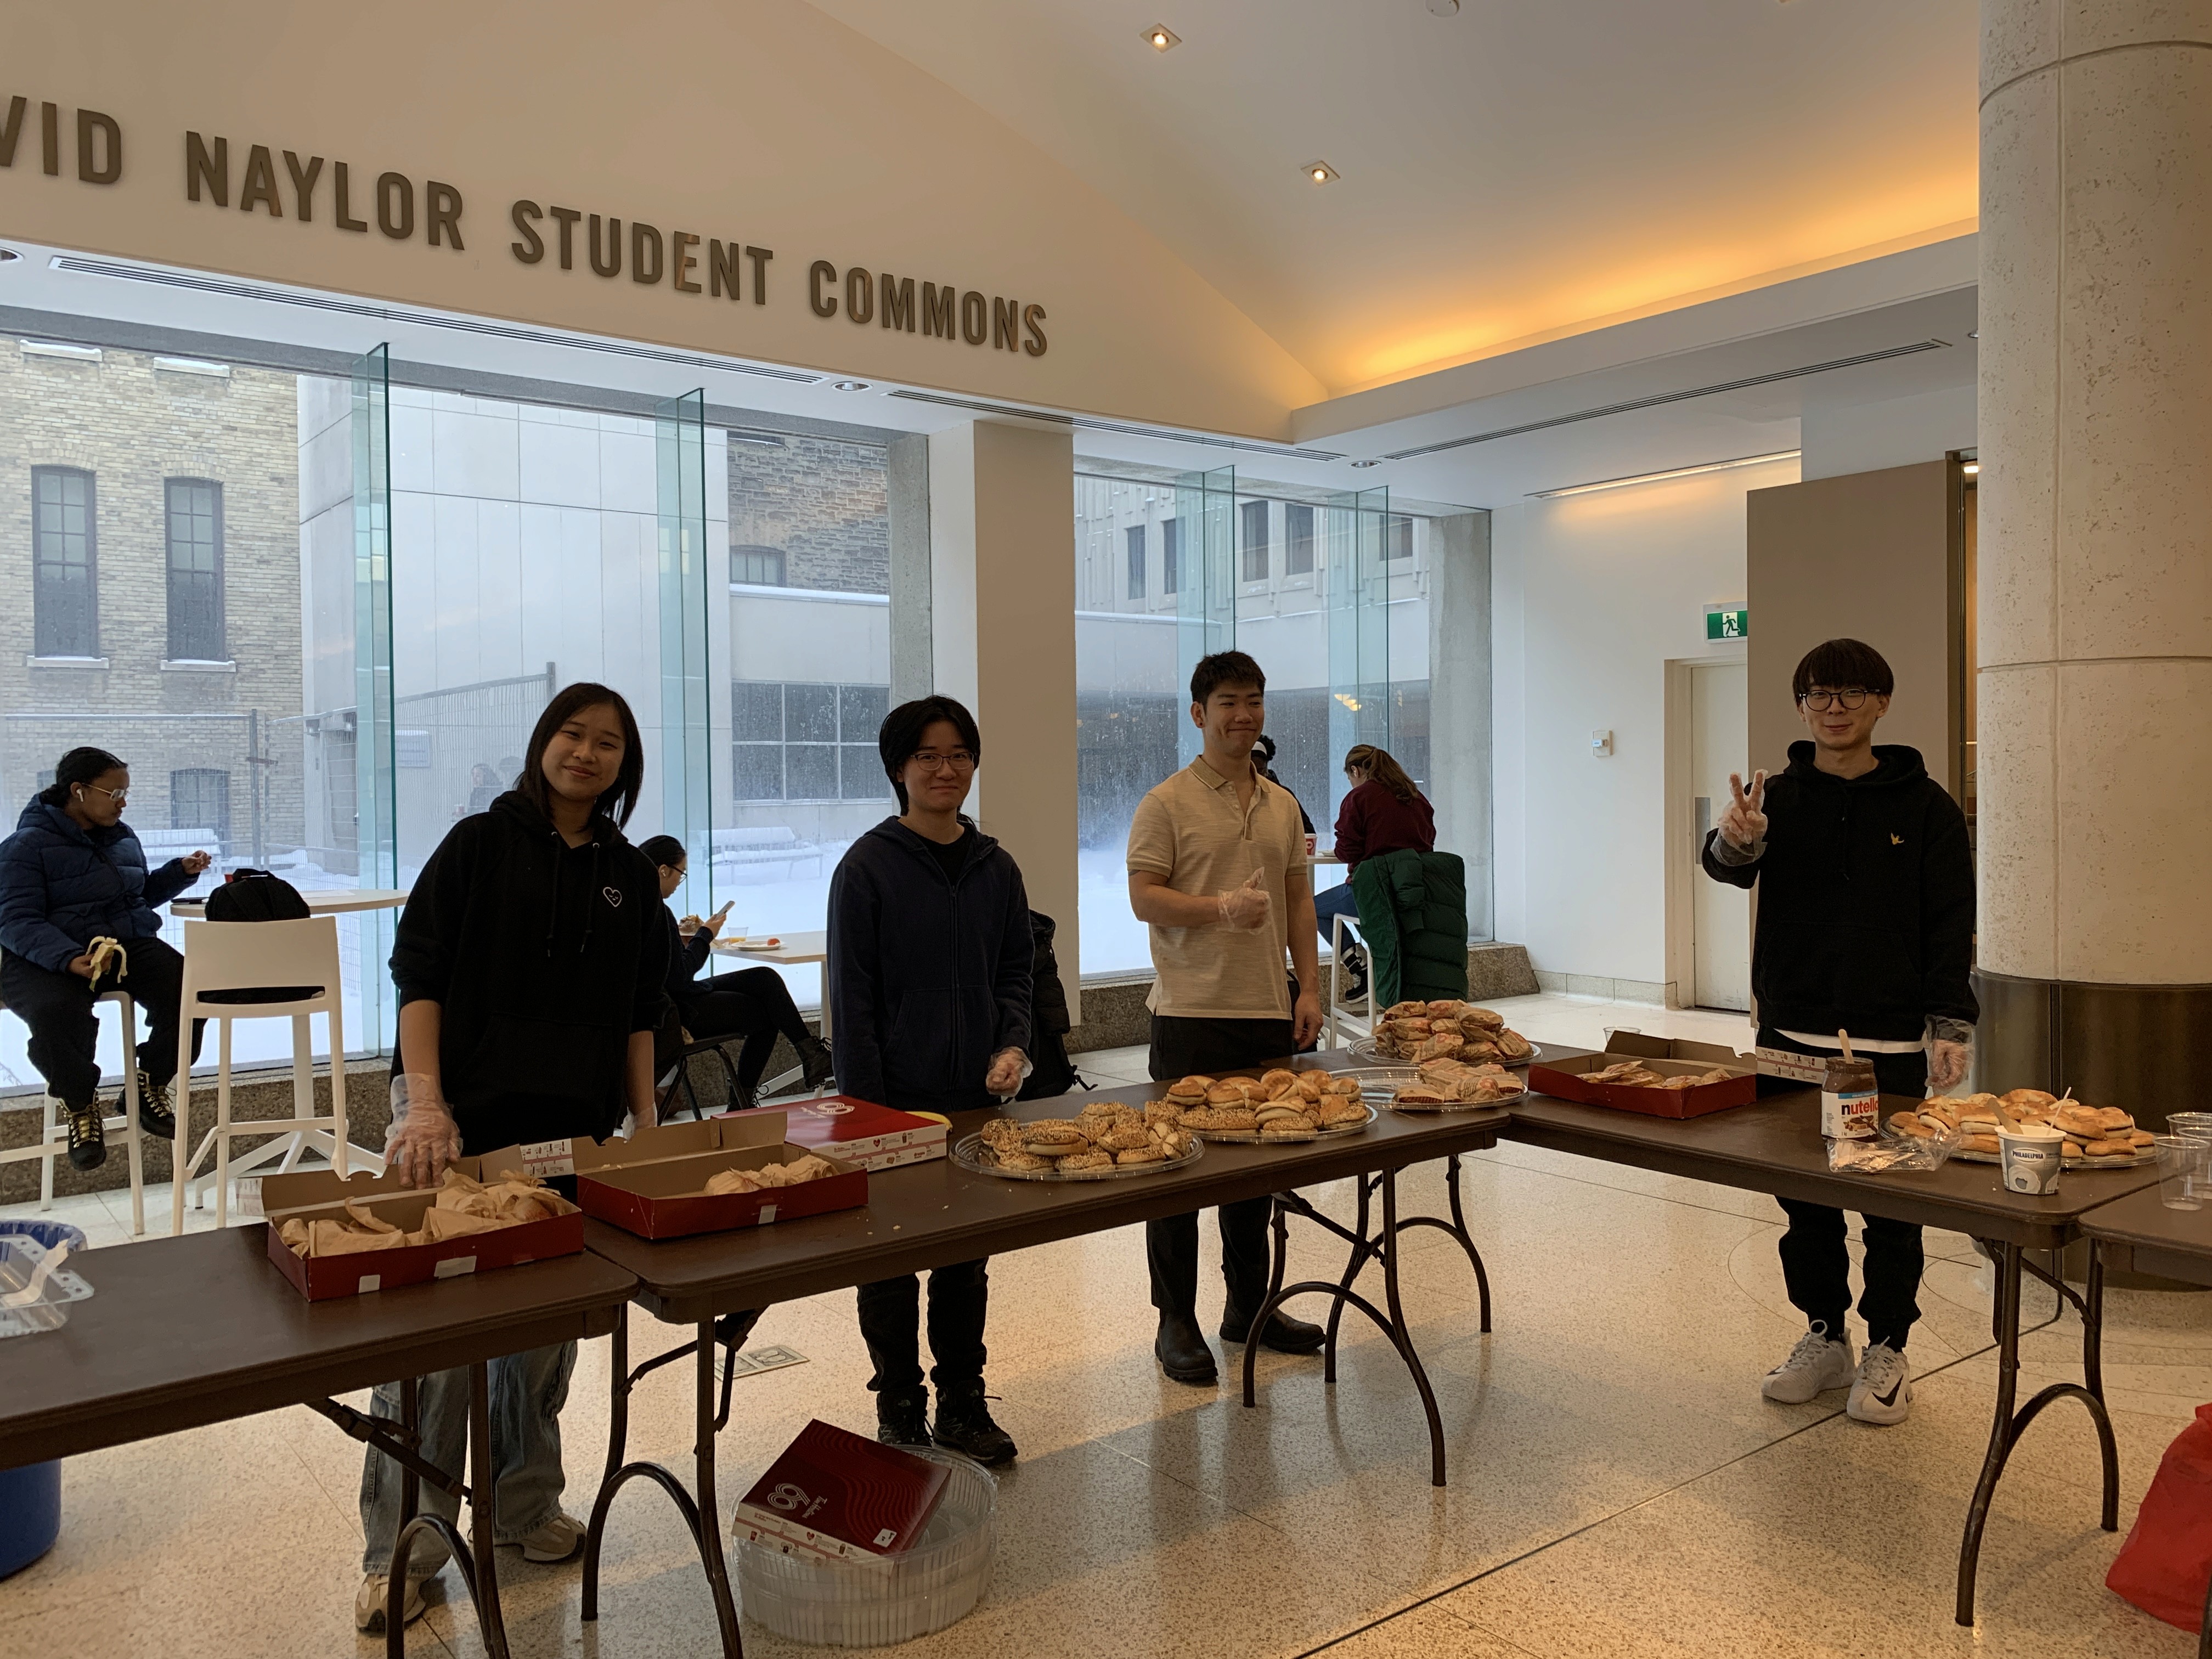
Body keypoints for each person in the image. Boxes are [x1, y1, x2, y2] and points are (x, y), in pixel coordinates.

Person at [356, 684, 669, 1633]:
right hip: (455, 1135)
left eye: (609, 742)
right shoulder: (478, 845)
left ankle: (525, 1507)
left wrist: (647, 1118)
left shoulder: (628, 874)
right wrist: (423, 1102)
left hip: (567, 1144)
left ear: (625, 765)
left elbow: (639, 1012)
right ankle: (402, 1550)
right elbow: (420, 975)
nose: (587, 753)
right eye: (573, 733)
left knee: (539, 1347)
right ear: (542, 743)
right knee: (430, 1356)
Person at [1702, 638, 1975, 1427]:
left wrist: (1950, 1021)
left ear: (1882, 703)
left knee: (1892, 1204)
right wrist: (1737, 838)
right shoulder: (1778, 799)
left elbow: (1950, 920)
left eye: (1852, 693)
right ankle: (1825, 1335)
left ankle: (1889, 1346)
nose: (1835, 708)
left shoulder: (1927, 807)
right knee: (1805, 1201)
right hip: (1793, 1034)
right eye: (1819, 694)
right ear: (1801, 707)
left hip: (1890, 1043)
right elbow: (1727, 869)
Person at [827, 695, 1031, 1465]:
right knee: (888, 1262)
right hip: (891, 1102)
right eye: (927, 756)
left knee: (964, 1260)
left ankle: (963, 1402)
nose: (946, 770)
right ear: (898, 769)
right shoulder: (867, 868)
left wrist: (1012, 1043)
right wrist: (869, 1113)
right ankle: (899, 1405)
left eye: (959, 755)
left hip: (973, 1100)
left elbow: (1015, 971)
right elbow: (852, 1000)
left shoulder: (996, 868)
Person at [1127, 651, 1327, 1384]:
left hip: (1266, 1010)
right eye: (1229, 703)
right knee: (1176, 1175)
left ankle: (1251, 1307)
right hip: (1189, 1014)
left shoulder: (1282, 805)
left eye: (1254, 701)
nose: (1244, 715)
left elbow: (1299, 900)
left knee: (1255, 1172)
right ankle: (1174, 1320)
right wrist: (1220, 909)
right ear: (1199, 714)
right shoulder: (1166, 802)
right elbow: (1144, 897)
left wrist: (1310, 989)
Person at [0, 747, 211, 1166]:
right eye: (114, 793)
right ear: (78, 791)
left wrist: (178, 874)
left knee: (192, 989)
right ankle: (80, 1105)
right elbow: (15, 919)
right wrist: (68, 958)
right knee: (56, 1012)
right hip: (49, 955)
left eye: (125, 793)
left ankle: (148, 1085)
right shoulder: (25, 847)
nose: (122, 803)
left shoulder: (122, 837)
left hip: (121, 947)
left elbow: (135, 897)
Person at [638, 832, 832, 1109]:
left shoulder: (639, 908)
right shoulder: (658, 912)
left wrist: (687, 942)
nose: (680, 883)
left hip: (674, 1001)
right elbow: (681, 976)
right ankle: (742, 1101)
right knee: (767, 1014)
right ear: (663, 870)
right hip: (677, 1012)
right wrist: (705, 935)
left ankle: (811, 1055)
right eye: (681, 874)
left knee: (764, 978)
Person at [1314, 743, 1436, 1002]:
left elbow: (1346, 850)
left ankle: (1361, 970)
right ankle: (1377, 969)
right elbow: (1428, 843)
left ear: (1355, 771)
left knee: (1312, 909)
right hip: (1413, 897)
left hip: (1374, 894)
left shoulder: (1359, 798)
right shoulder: (1415, 796)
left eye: (1350, 778)